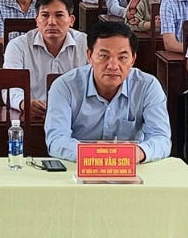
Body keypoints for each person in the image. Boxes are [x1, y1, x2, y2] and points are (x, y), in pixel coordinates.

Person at [44, 21, 171, 162]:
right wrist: (92, 152)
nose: (113, 66)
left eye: (122, 58)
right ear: (90, 56)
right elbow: (56, 140)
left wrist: (139, 152)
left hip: (131, 165)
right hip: (79, 165)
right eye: (104, 56)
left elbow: (161, 138)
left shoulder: (148, 87)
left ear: (133, 59)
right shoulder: (64, 86)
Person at [3, 0, 87, 112]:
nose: (51, 22)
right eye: (45, 15)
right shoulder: (18, 46)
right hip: (31, 117)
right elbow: (10, 88)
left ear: (71, 20)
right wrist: (23, 103)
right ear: (36, 20)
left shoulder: (86, 45)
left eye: (59, 15)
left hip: (75, 115)